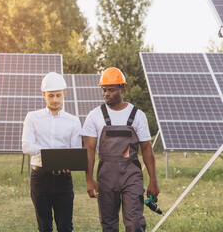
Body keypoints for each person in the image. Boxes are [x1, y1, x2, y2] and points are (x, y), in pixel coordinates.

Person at [81, 67, 160, 232]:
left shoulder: (137, 115)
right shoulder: (94, 116)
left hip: (131, 174)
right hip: (106, 175)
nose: (106, 94)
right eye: (104, 90)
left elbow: (146, 149)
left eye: (111, 90)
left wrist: (153, 180)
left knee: (135, 224)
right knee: (108, 224)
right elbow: (88, 149)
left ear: (123, 88)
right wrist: (89, 179)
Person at [22, 72, 82, 232]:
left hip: (63, 180)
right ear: (44, 95)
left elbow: (75, 151)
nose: (55, 100)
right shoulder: (32, 117)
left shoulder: (73, 121)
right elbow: (26, 146)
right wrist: (53, 156)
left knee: (66, 227)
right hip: (40, 178)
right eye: (50, 96)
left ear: (64, 93)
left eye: (58, 95)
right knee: (44, 226)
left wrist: (62, 160)